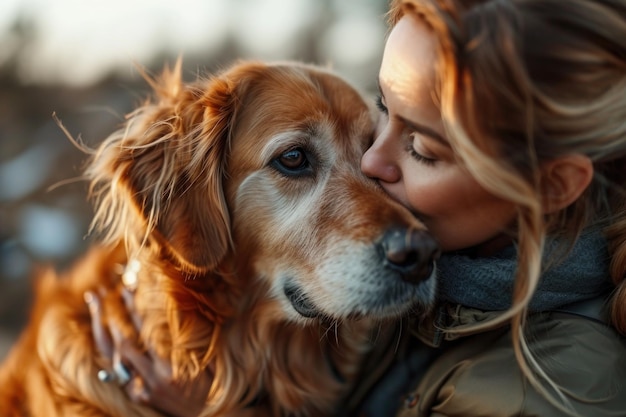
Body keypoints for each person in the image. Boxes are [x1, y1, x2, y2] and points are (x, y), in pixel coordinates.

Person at [86, 0, 626, 415]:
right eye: (296, 159)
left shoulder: (556, 386)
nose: (372, 167)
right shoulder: (448, 289)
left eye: (423, 149)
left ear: (552, 185)